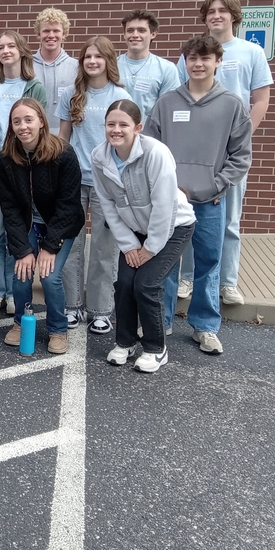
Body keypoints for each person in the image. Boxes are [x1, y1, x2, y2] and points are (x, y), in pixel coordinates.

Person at [147, 35, 252, 356]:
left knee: (208, 263)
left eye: (205, 58)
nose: (198, 64)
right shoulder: (167, 103)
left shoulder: (231, 104)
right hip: (169, 201)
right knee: (165, 264)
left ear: (217, 61)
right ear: (185, 62)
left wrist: (213, 187)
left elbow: (240, 157)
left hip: (210, 201)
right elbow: (149, 149)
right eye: (192, 58)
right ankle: (159, 321)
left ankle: (205, 327)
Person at [174, 0, 273, 306]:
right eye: (211, 11)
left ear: (233, 15)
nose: (216, 15)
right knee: (189, 214)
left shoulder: (250, 52)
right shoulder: (192, 52)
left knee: (229, 220)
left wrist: (240, 139)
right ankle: (187, 278)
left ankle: (227, 282)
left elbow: (261, 100)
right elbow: (181, 96)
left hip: (230, 151)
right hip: (195, 152)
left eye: (222, 10)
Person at [92, 100, 196, 373]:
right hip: (134, 231)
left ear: (137, 128)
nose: (116, 130)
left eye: (123, 125)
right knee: (125, 283)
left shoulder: (155, 153)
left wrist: (150, 249)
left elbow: (165, 207)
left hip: (173, 227)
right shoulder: (99, 157)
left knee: (147, 285)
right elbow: (108, 206)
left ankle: (155, 348)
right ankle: (126, 343)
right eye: (110, 124)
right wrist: (128, 246)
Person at [57, 36, 133, 335]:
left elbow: (128, 140)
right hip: (74, 181)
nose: (92, 61)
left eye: (98, 57)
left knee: (104, 248)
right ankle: (71, 305)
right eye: (87, 56)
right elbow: (63, 139)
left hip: (108, 182)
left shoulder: (121, 96)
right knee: (70, 245)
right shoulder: (71, 95)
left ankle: (101, 310)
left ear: (108, 61)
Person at [0, 97, 84, 356]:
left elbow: (68, 206)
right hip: (27, 223)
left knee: (49, 275)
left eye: (28, 119)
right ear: (11, 127)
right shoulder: (6, 159)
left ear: (41, 122)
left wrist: (50, 246)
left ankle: (58, 329)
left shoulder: (63, 153)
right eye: (17, 121)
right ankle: (20, 323)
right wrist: (23, 249)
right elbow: (10, 208)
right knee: (21, 272)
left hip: (60, 225)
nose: (23, 126)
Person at [0, 30, 48, 317]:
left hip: (23, 167)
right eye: (1, 47)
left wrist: (13, 153)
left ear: (21, 51)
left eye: (11, 46)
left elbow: (36, 124)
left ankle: (16, 292)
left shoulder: (34, 87)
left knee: (18, 230)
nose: (6, 51)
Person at [118, 9, 180, 121]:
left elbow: (168, 109)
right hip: (115, 134)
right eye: (130, 30)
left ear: (153, 34)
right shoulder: (111, 65)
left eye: (141, 30)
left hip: (149, 135)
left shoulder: (167, 69)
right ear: (124, 34)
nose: (135, 35)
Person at [31, 8, 77, 132]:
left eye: (56, 31)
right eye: (46, 31)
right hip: (33, 137)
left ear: (64, 34)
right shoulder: (26, 66)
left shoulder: (76, 67)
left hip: (65, 140)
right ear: (38, 34)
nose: (51, 35)